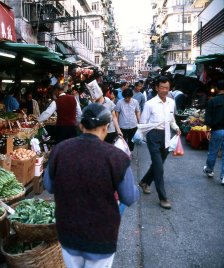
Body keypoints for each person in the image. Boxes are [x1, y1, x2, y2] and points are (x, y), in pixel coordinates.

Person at [43, 103, 139, 268]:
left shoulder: (59, 150)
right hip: (101, 237)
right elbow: (129, 197)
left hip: (68, 233)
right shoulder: (117, 157)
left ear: (81, 125)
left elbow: (49, 186)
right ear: (105, 128)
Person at [138, 76, 181, 209]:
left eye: (166, 88)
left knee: (158, 164)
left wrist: (176, 128)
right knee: (159, 167)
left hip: (167, 135)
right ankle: (163, 198)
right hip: (153, 135)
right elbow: (143, 123)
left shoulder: (171, 102)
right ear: (157, 88)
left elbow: (171, 119)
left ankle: (145, 182)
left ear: (169, 89)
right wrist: (147, 137)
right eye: (161, 88)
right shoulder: (149, 104)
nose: (164, 90)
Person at [203, 79, 224, 185]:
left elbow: (208, 117)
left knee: (213, 152)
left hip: (217, 130)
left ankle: (210, 170)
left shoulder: (212, 101)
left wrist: (208, 129)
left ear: (216, 88)